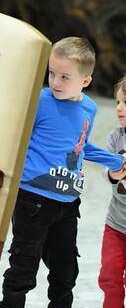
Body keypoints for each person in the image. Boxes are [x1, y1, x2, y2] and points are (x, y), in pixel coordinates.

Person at [0, 37, 126, 308]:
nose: (55, 82)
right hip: (32, 200)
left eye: (65, 77)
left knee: (66, 273)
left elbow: (79, 148)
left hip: (67, 205)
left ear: (85, 81)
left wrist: (114, 161)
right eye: (52, 73)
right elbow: (16, 138)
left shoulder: (89, 108)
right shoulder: (40, 101)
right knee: (22, 269)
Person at [98, 76, 126, 308]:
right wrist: (113, 174)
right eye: (117, 102)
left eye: (125, 102)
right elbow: (106, 168)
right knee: (109, 277)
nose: (119, 108)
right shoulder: (115, 137)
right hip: (115, 225)